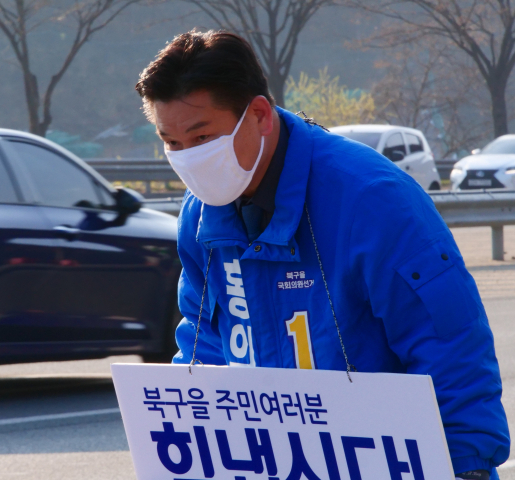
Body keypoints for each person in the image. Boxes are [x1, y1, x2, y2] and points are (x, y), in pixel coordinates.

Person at [135, 29, 510, 479]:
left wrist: (463, 466)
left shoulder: (369, 199)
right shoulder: (201, 215)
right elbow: (205, 344)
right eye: (171, 143)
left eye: (201, 139)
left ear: (258, 115)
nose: (188, 159)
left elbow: (448, 344)